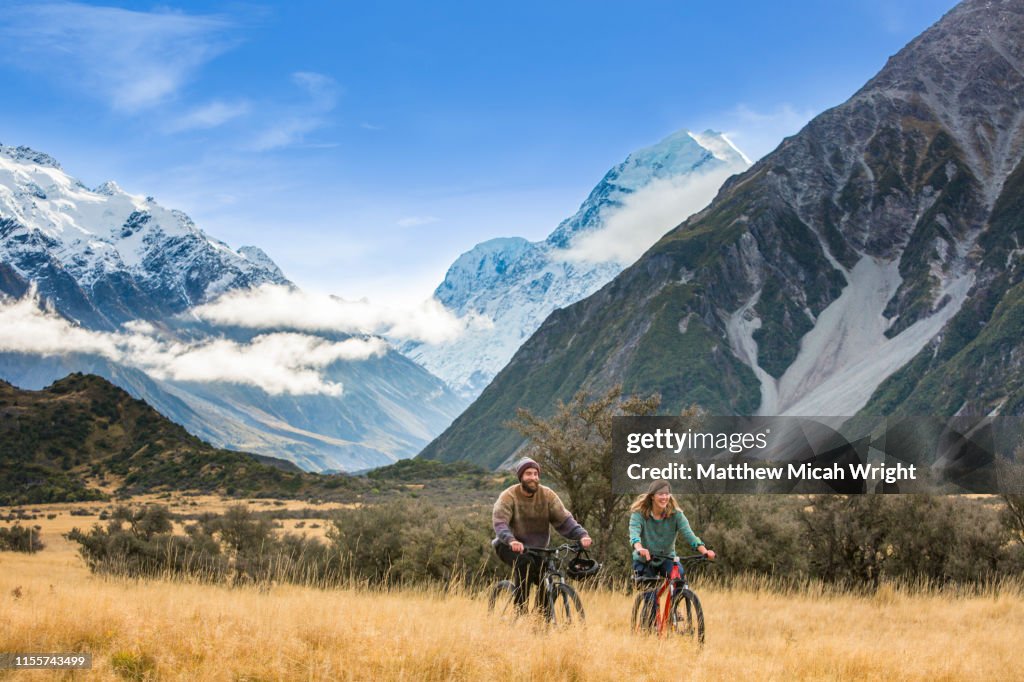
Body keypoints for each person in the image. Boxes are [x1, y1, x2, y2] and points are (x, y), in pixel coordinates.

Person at [492, 457, 592, 611]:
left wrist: (582, 535)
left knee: (548, 578)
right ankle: (521, 612)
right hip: (508, 545)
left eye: (535, 474)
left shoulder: (547, 495)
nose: (533, 477)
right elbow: (500, 523)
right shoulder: (508, 495)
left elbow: (564, 519)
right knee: (525, 564)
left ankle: (541, 619)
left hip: (538, 549)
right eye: (528, 474)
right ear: (521, 477)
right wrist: (511, 540)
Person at [629, 480, 715, 585]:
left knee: (680, 580)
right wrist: (639, 548)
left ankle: (676, 600)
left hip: (667, 558)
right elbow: (634, 534)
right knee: (651, 598)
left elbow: (689, 535)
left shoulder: (676, 514)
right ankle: (651, 600)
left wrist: (705, 551)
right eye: (660, 494)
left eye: (667, 494)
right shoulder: (639, 514)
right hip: (645, 560)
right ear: (652, 496)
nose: (664, 497)